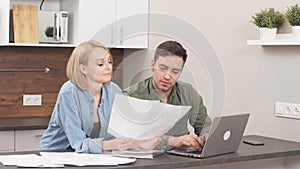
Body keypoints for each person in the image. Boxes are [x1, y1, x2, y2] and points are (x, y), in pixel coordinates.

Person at [40, 40, 161, 153]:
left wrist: (138, 143)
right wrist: (110, 145)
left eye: (109, 62)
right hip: (57, 154)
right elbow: (78, 143)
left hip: (90, 156)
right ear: (83, 69)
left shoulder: (114, 90)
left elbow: (118, 132)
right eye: (100, 64)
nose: (108, 67)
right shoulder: (69, 93)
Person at [123, 40, 212, 151]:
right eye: (163, 68)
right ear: (152, 65)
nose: (167, 76)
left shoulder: (188, 92)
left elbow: (204, 124)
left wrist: (206, 135)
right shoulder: (131, 95)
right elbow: (131, 139)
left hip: (182, 158)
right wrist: (173, 141)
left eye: (175, 71)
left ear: (181, 72)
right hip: (147, 160)